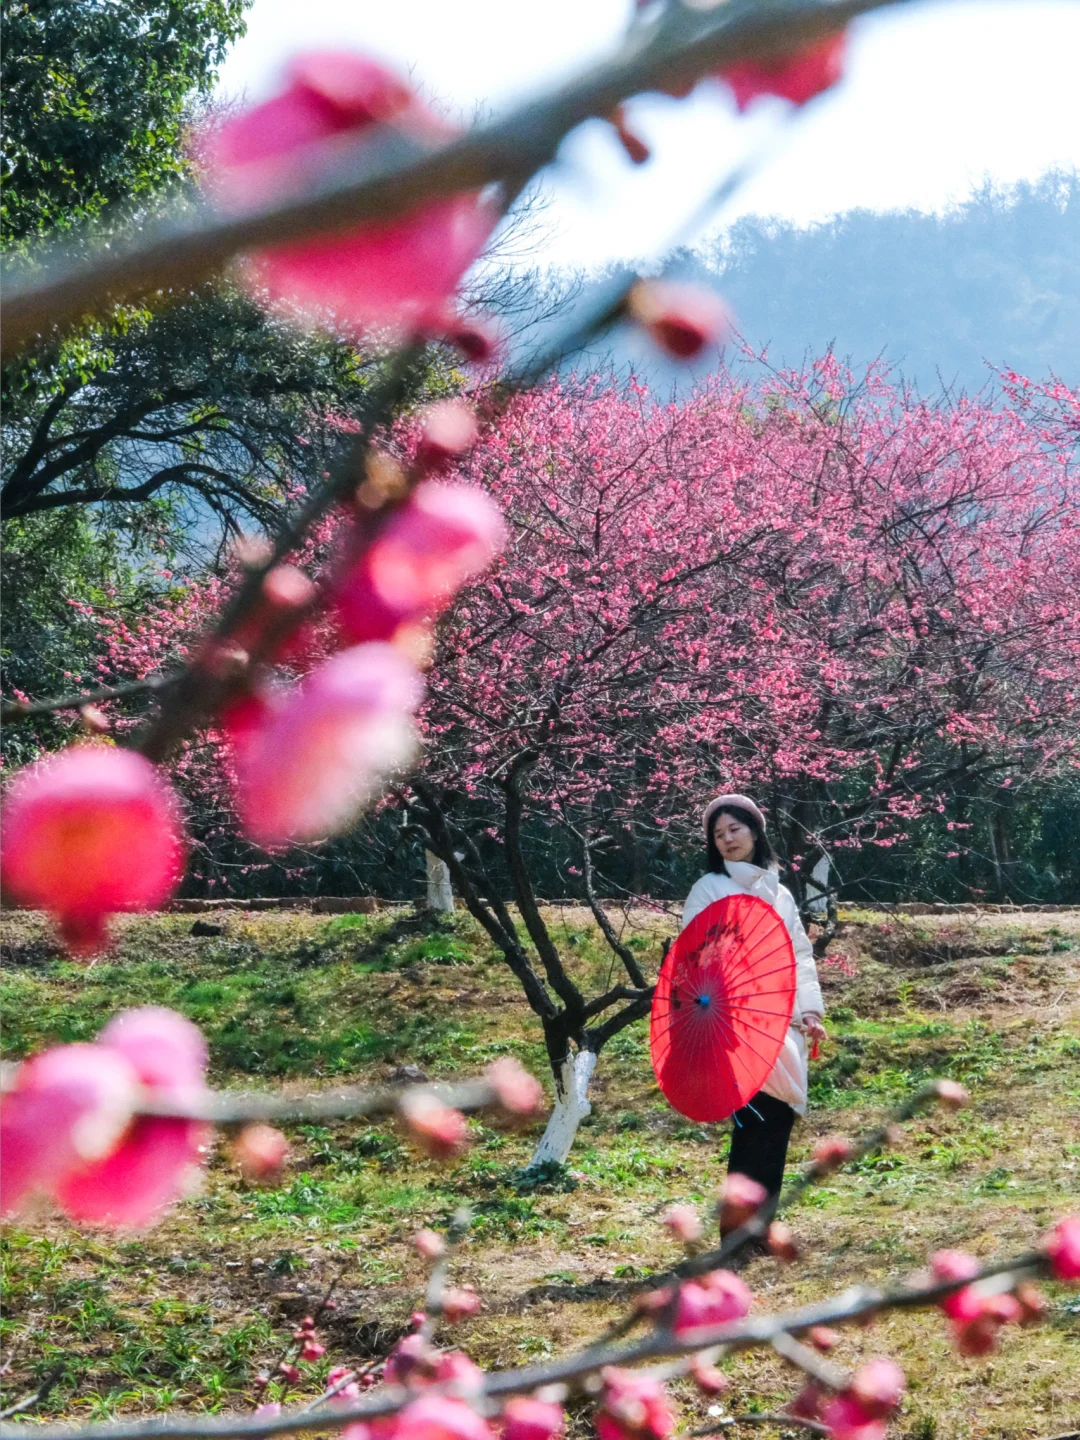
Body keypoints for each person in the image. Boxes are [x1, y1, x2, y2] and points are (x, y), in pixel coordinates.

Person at [682, 794, 826, 1230]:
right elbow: (693, 954)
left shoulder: (779, 892)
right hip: (734, 1022)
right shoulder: (709, 888)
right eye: (718, 834)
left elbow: (798, 954)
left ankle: (761, 1226)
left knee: (778, 1120)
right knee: (753, 1121)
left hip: (782, 1021)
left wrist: (810, 1010)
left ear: (755, 831)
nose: (727, 840)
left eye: (735, 830)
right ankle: (736, 1230)